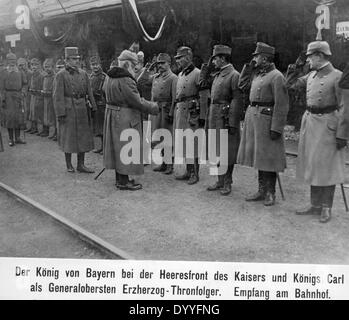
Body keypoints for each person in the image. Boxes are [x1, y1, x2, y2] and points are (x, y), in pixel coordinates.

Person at [286, 41, 348, 223]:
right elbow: (288, 85)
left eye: (310, 57)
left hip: (328, 125)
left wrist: (342, 134)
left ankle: (326, 207)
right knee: (313, 164)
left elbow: (345, 107)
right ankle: (315, 204)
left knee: (326, 168)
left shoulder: (338, 77)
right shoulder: (310, 75)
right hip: (311, 123)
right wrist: (295, 68)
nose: (307, 60)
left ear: (319, 56)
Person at [237, 42, 289, 206]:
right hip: (254, 119)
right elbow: (242, 85)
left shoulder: (277, 76)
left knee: (269, 158)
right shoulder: (257, 74)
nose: (254, 58)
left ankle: (270, 192)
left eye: (256, 56)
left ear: (265, 59)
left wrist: (276, 127)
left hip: (267, 121)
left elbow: (281, 104)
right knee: (259, 157)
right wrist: (248, 67)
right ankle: (261, 190)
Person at [103, 49, 159, 191]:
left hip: (112, 115)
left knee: (117, 148)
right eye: (133, 66)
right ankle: (124, 182)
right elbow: (136, 101)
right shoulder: (126, 79)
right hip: (124, 117)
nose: (135, 69)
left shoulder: (109, 76)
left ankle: (119, 179)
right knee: (126, 148)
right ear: (127, 64)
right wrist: (153, 107)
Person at [203, 45, 243, 196]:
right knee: (216, 148)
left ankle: (227, 182)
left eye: (215, 59)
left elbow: (237, 101)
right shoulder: (218, 75)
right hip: (214, 115)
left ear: (222, 58)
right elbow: (202, 82)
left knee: (227, 150)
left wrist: (232, 122)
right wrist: (206, 67)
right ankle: (219, 180)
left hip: (225, 118)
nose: (213, 62)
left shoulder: (234, 75)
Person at [53, 47, 97, 173]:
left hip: (82, 108)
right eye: (73, 59)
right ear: (66, 60)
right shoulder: (60, 75)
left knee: (82, 136)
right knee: (69, 136)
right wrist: (60, 113)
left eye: (77, 59)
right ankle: (68, 164)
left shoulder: (83, 74)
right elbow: (57, 96)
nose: (76, 61)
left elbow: (89, 91)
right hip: (68, 109)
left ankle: (81, 164)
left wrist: (93, 107)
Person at [138, 53, 178, 174]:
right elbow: (140, 82)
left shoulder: (173, 78)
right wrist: (147, 69)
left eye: (163, 63)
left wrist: (171, 113)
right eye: (158, 63)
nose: (160, 65)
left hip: (166, 110)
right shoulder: (156, 77)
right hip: (155, 109)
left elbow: (175, 98)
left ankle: (169, 164)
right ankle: (163, 163)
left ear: (169, 64)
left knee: (167, 137)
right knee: (157, 137)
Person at [173, 46, 202, 184]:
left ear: (188, 58)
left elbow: (203, 96)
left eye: (180, 58)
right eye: (177, 58)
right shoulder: (180, 75)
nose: (178, 61)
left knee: (193, 143)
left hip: (192, 113)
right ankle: (188, 170)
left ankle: (195, 174)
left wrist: (201, 116)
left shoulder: (197, 73)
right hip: (181, 111)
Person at [0, 52, 27, 146]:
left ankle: (18, 137)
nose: (13, 62)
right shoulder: (3, 72)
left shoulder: (20, 71)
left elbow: (25, 83)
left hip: (18, 96)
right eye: (10, 60)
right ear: (7, 61)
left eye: (14, 60)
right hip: (8, 97)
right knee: (10, 118)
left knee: (19, 118)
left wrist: (23, 92)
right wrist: (3, 99)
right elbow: (1, 87)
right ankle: (11, 139)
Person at [89, 56, 106, 154]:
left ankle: (105, 147)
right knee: (97, 127)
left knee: (103, 127)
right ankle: (100, 146)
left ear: (100, 65)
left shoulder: (104, 77)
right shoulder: (91, 76)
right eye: (92, 65)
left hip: (101, 104)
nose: (95, 66)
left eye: (96, 64)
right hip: (93, 104)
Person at [28, 58, 45, 135]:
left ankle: (41, 130)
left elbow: (43, 88)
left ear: (39, 66)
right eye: (32, 65)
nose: (34, 67)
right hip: (33, 97)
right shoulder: (32, 75)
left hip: (39, 97)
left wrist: (36, 91)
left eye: (36, 65)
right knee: (32, 112)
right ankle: (34, 128)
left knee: (39, 113)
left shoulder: (41, 76)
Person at [42, 58, 57, 140]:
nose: (47, 69)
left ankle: (53, 132)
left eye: (48, 67)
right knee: (47, 114)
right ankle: (48, 131)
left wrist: (48, 92)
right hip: (46, 98)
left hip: (52, 98)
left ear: (52, 67)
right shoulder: (45, 77)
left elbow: (54, 89)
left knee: (52, 115)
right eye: (45, 67)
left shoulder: (54, 77)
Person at [17, 57, 32, 132]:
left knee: (27, 109)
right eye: (20, 65)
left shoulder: (29, 73)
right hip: (19, 93)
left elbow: (28, 84)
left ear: (26, 65)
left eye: (22, 65)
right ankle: (22, 123)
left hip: (28, 93)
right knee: (21, 109)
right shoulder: (17, 73)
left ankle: (27, 125)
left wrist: (24, 92)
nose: (21, 67)